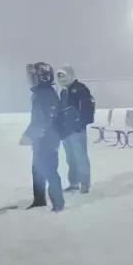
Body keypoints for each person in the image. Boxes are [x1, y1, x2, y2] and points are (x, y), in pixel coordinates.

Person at [23, 62, 66, 211]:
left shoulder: (45, 94)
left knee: (49, 169)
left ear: (40, 78)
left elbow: (46, 118)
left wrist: (30, 134)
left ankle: (58, 203)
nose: (29, 79)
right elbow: (38, 119)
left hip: (48, 139)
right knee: (38, 169)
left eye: (32, 76)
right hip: (42, 139)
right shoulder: (40, 93)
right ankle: (39, 199)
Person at [57, 64, 94, 194]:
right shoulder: (63, 92)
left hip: (77, 132)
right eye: (59, 77)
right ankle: (73, 183)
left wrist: (81, 124)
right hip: (66, 132)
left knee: (80, 158)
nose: (62, 79)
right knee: (70, 159)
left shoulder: (80, 89)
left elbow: (88, 109)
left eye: (63, 76)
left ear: (70, 75)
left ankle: (84, 184)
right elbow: (61, 112)